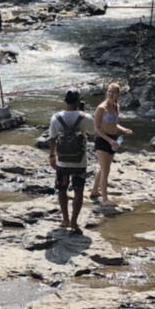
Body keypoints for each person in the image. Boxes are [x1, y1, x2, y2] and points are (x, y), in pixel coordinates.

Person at [48, 89, 97, 234]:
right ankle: (74, 222)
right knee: (78, 191)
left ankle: (65, 219)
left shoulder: (56, 118)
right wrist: (84, 113)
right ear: (78, 101)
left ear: (64, 101)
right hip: (79, 162)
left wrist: (52, 156)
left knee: (62, 190)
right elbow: (93, 133)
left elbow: (52, 139)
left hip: (62, 162)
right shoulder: (86, 117)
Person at [90, 82, 134, 207]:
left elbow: (114, 124)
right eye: (109, 91)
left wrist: (124, 130)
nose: (110, 94)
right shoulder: (101, 108)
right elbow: (96, 129)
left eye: (113, 92)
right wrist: (109, 140)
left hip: (113, 140)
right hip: (102, 140)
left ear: (118, 94)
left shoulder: (116, 107)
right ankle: (105, 199)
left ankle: (95, 191)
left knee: (104, 167)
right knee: (106, 170)